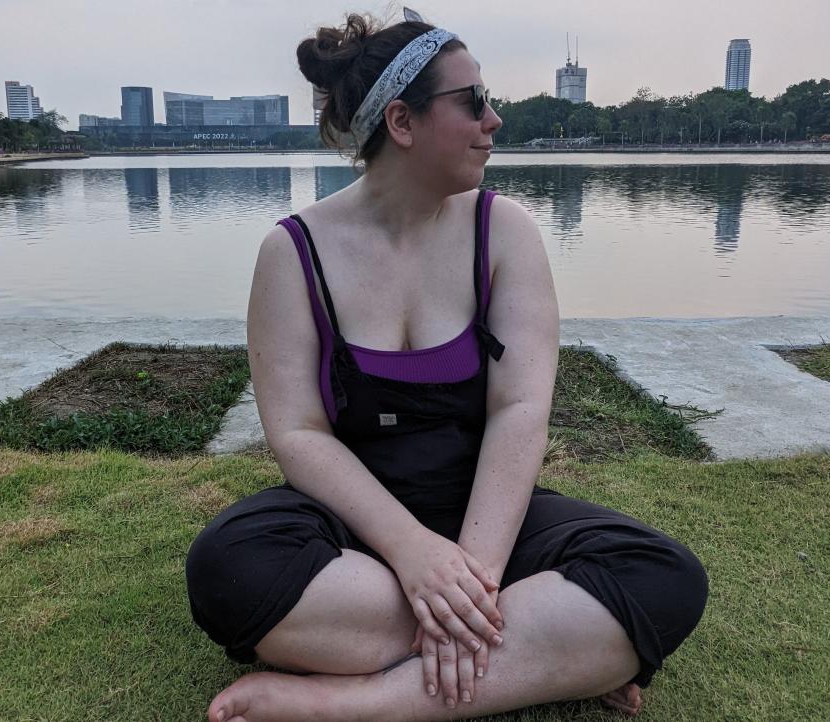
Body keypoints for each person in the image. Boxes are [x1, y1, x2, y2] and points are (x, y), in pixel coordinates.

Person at [186, 10, 708, 722]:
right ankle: (545, 658)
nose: (493, 120)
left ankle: (364, 701)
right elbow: (299, 433)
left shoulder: (505, 233)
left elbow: (519, 409)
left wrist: (475, 575)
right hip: (351, 527)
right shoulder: (294, 251)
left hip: (489, 518)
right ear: (402, 122)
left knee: (664, 578)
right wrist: (414, 555)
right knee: (228, 569)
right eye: (474, 102)